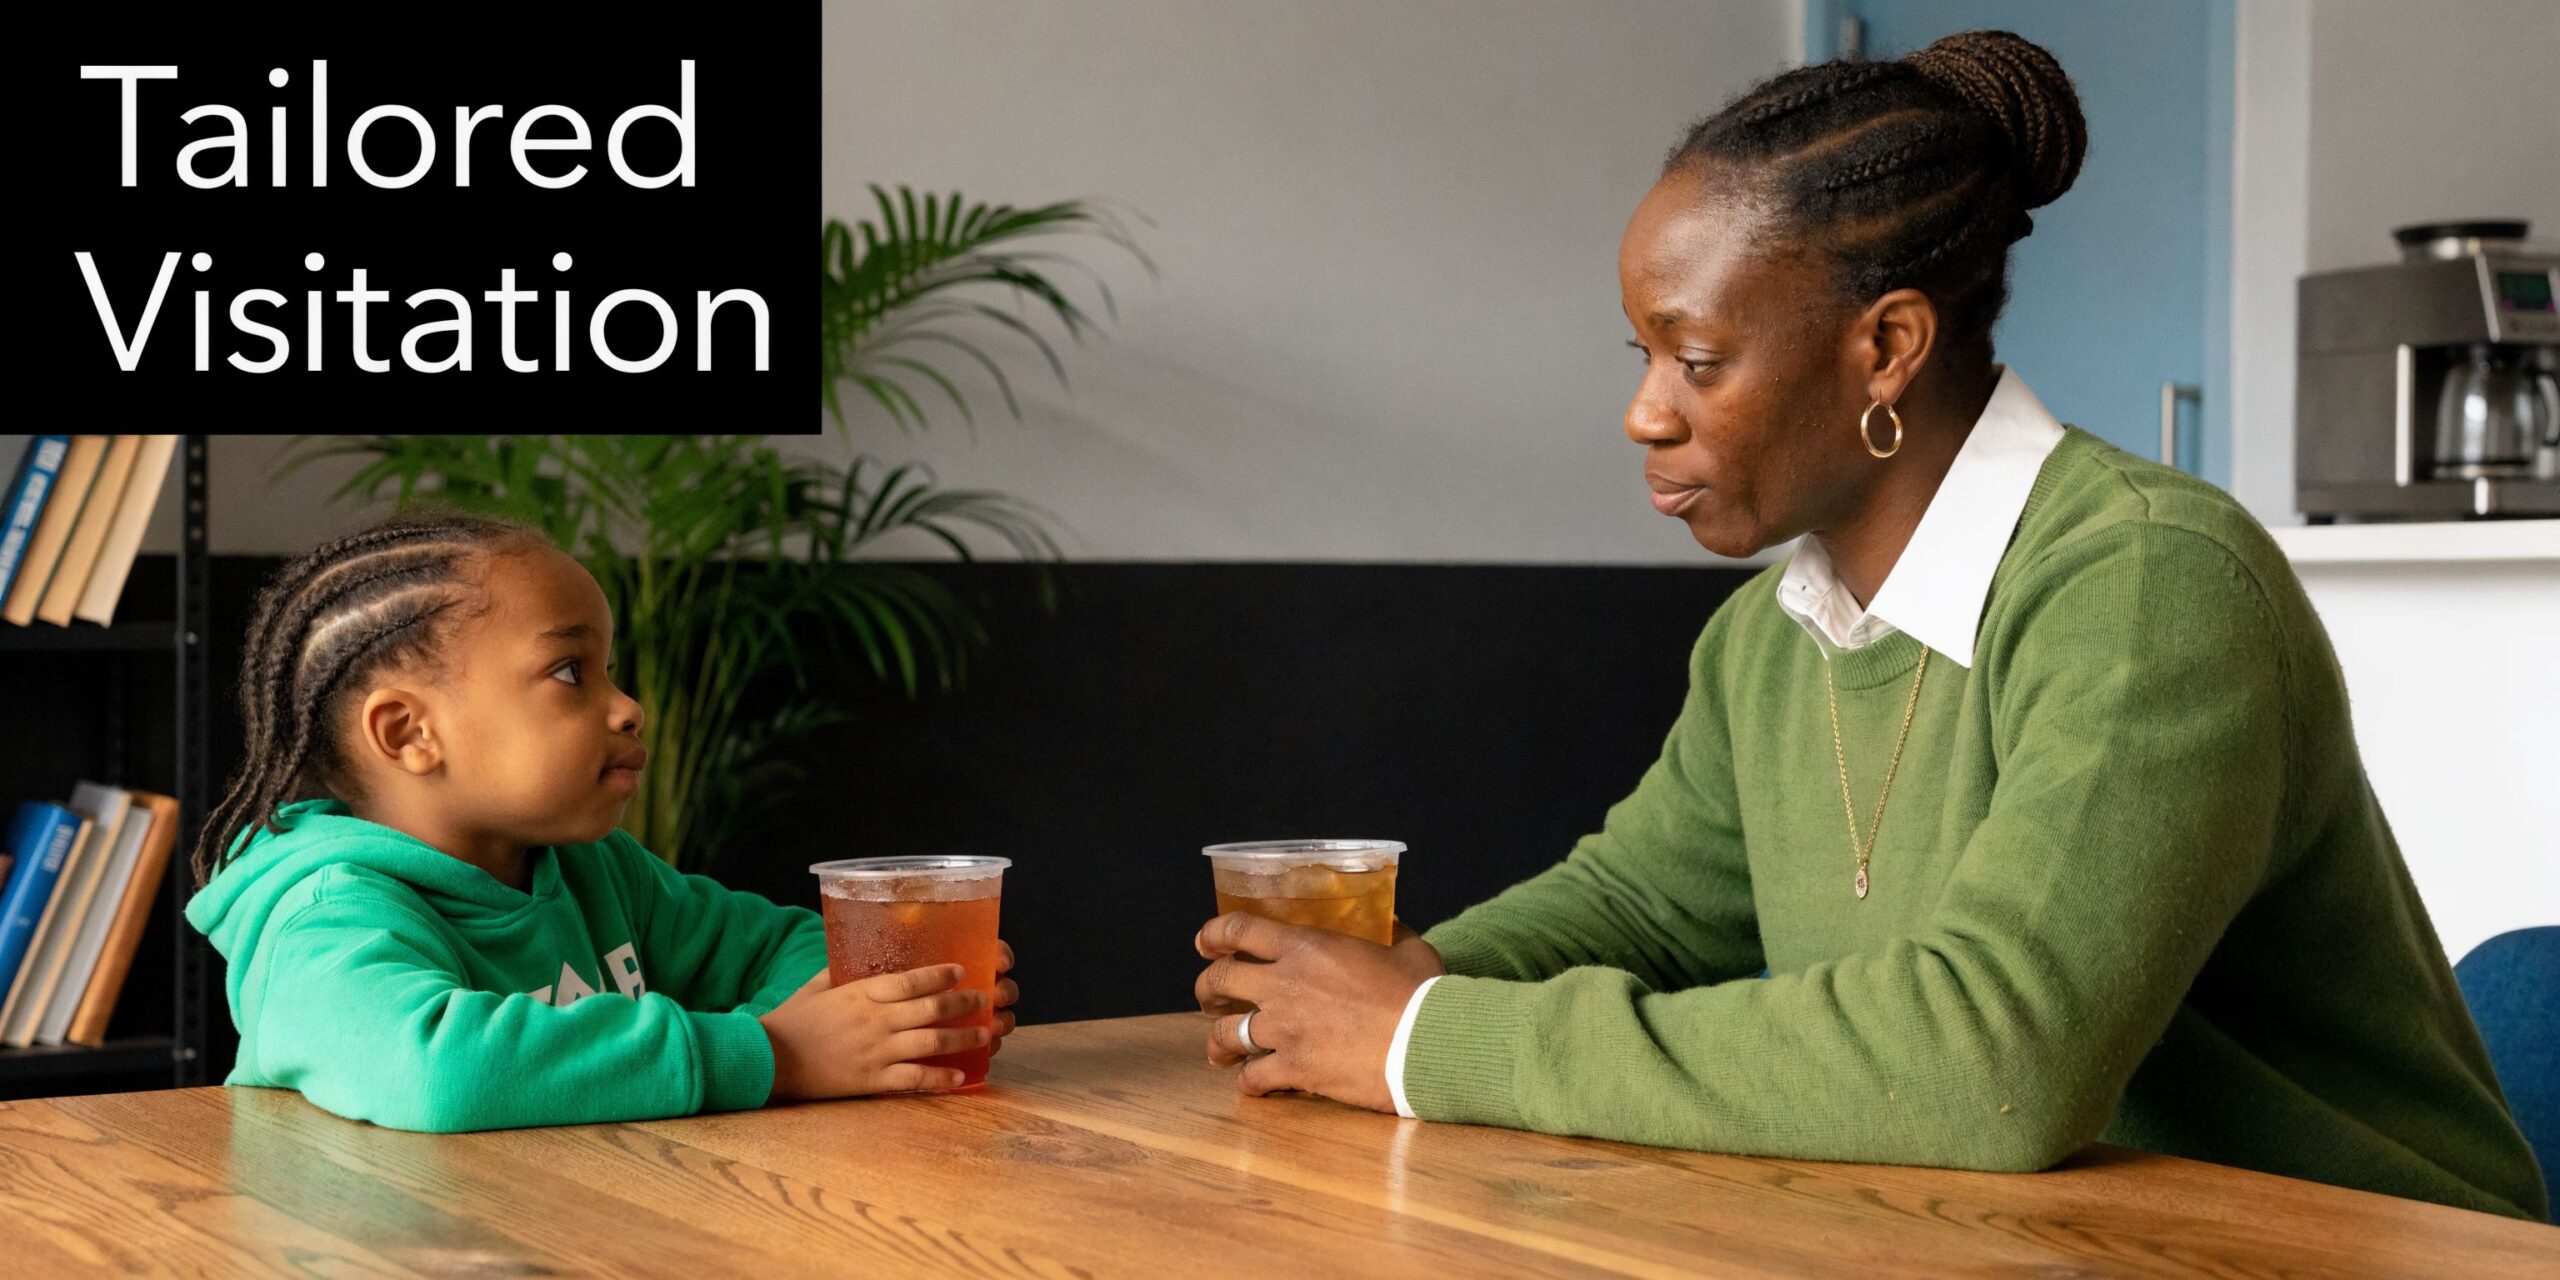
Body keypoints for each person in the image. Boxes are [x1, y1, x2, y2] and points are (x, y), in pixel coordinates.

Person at [1190, 30, 2547, 1220]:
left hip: (2358, 1250)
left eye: (1698, 359)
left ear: (1886, 347)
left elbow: (1994, 1065)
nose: (1645, 413)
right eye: (1644, 356)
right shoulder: (1769, 637)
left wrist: (1426, 1040)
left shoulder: (2147, 586)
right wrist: (1374, 987)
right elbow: (1646, 907)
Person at [187, 511, 1018, 1132]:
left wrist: (890, 1018)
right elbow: (439, 1070)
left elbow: (790, 946)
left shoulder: (594, 870)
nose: (626, 707)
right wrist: (779, 1054)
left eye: (609, 670)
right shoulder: (323, 915)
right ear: (410, 733)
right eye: (569, 671)